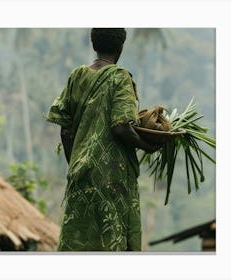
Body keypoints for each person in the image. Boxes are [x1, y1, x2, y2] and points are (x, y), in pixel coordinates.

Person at [46, 28, 160, 251]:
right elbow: (121, 127)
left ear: (94, 45)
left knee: (79, 240)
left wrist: (76, 162)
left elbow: (65, 129)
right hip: (111, 178)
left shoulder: (77, 76)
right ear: (121, 46)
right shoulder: (120, 77)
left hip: (80, 173)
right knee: (112, 241)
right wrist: (148, 146)